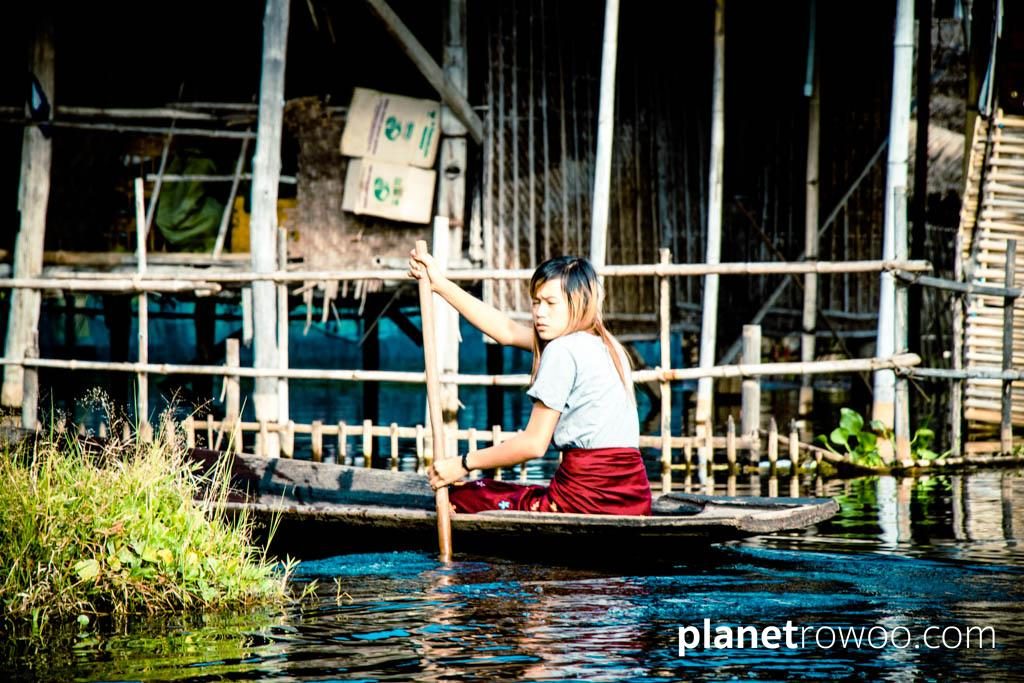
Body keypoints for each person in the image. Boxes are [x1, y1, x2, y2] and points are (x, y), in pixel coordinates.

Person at [408, 250, 652, 516]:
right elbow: (507, 331)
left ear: (579, 303)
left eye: (550, 303)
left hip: (587, 500)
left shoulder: (562, 349)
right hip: (634, 497)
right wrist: (440, 284)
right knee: (500, 490)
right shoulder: (607, 345)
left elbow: (534, 444)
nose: (539, 313)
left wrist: (463, 463)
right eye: (536, 302)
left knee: (462, 496)